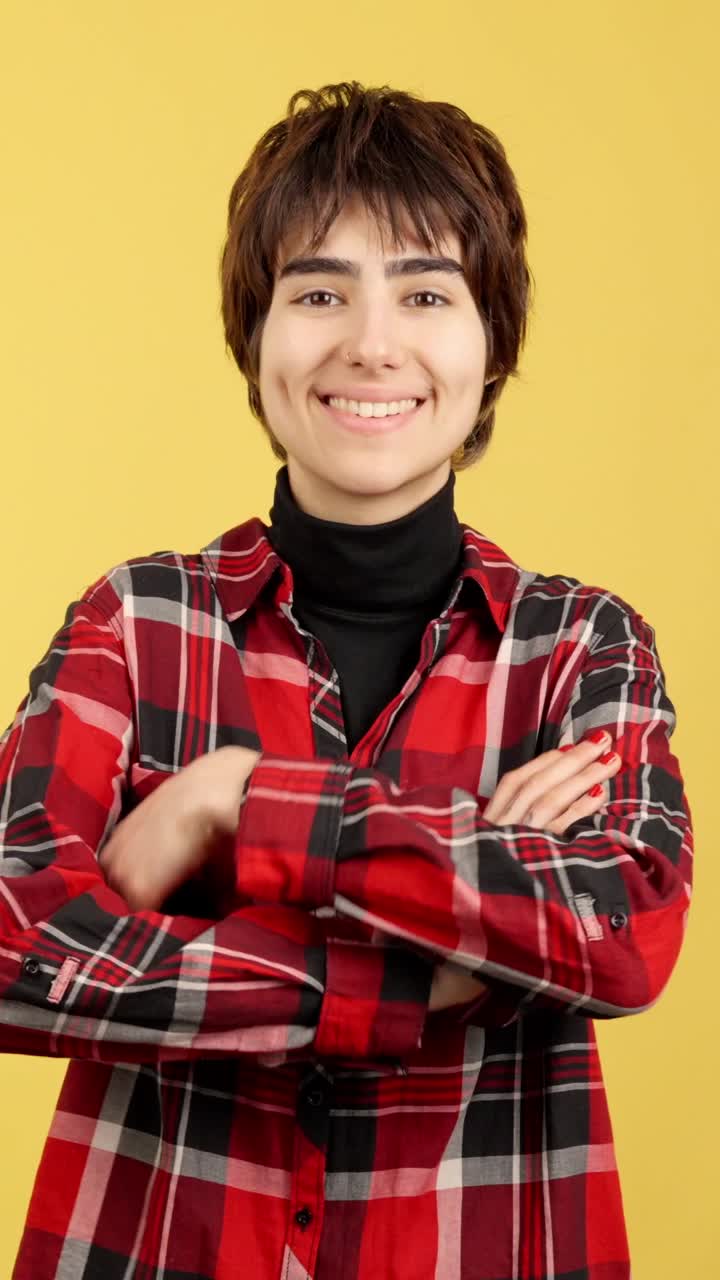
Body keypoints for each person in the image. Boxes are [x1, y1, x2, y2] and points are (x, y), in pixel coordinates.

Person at [1, 81, 692, 1280]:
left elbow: (622, 928)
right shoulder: (136, 622)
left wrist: (232, 800)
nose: (372, 341)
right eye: (318, 290)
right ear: (255, 335)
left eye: (427, 292)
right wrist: (436, 960)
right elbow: (16, 942)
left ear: (494, 345)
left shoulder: (585, 645)